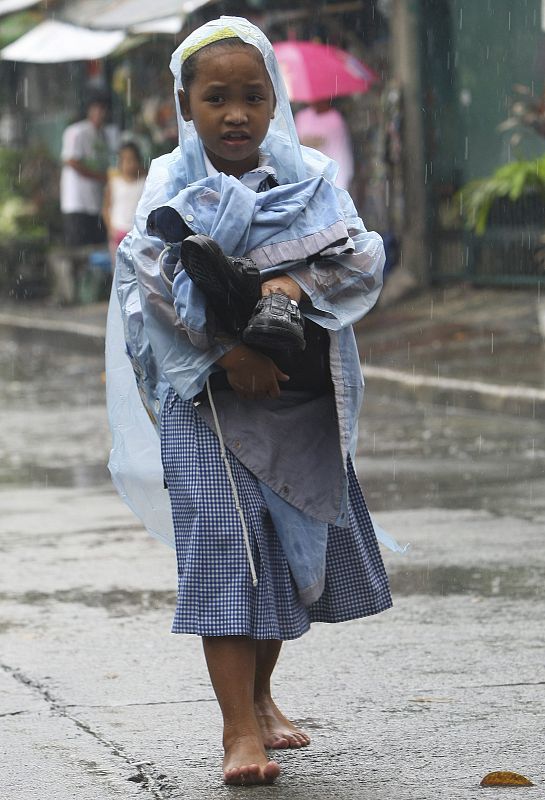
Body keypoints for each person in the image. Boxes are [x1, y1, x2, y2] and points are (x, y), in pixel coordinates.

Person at [106, 16, 398, 787]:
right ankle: (237, 730)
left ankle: (263, 697)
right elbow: (151, 291)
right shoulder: (167, 186)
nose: (234, 113)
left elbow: (361, 257)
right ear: (184, 102)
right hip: (203, 398)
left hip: (297, 395)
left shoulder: (310, 178)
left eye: (251, 97)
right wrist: (228, 353)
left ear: (273, 103)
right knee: (225, 558)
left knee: (278, 551)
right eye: (215, 97)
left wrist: (290, 285)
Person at [60, 93, 115, 248]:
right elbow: (71, 160)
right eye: (97, 109)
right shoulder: (76, 132)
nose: (101, 113)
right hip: (77, 202)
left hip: (96, 202)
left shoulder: (103, 135)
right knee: (78, 248)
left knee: (97, 246)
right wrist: (101, 177)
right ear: (89, 110)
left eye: (103, 109)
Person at [102, 141, 146, 265]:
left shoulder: (145, 182)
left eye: (132, 159)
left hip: (138, 234)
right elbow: (106, 208)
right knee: (119, 270)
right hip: (118, 232)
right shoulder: (114, 183)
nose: (128, 164)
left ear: (138, 161)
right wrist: (110, 228)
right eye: (124, 160)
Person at [295, 100, 354, 191]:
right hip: (307, 178)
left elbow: (340, 153)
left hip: (331, 177)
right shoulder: (301, 118)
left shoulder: (335, 120)